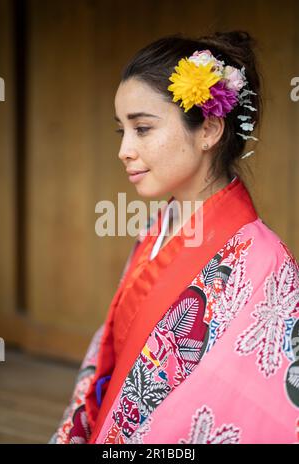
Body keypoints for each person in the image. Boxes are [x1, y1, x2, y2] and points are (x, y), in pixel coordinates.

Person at [50, 31, 299, 444]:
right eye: (122, 132)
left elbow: (257, 407)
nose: (125, 150)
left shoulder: (265, 263)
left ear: (209, 129)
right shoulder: (158, 227)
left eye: (143, 129)